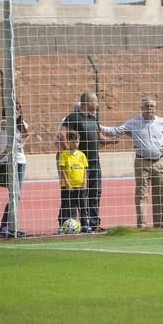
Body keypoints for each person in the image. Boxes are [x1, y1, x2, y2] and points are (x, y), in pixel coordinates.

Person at [100, 96, 163, 228]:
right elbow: (116, 131)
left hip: (160, 162)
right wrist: (98, 126)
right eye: (147, 106)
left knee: (159, 193)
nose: (150, 109)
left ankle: (160, 223)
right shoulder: (133, 123)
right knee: (142, 193)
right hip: (142, 162)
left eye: (152, 106)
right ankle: (142, 224)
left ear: (155, 108)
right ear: (142, 108)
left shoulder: (162, 122)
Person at [58, 93, 115, 231]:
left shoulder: (93, 119)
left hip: (95, 162)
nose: (97, 104)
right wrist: (69, 153)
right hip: (79, 164)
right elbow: (61, 133)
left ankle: (93, 224)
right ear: (88, 102)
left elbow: (100, 137)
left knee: (95, 192)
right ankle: (67, 223)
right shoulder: (73, 117)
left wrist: (112, 140)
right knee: (75, 194)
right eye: (96, 101)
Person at [0, 102, 30, 237]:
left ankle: (10, 225)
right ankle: (5, 226)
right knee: (14, 195)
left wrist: (22, 143)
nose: (15, 111)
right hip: (9, 162)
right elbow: (7, 126)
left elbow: (28, 133)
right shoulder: (4, 123)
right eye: (13, 109)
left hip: (21, 161)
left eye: (18, 109)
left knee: (17, 195)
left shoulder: (22, 123)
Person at [57, 130, 89, 233]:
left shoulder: (81, 155)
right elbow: (62, 169)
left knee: (82, 206)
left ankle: (85, 225)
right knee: (66, 206)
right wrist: (67, 182)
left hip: (80, 186)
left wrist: (85, 182)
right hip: (68, 186)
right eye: (73, 142)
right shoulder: (65, 154)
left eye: (77, 142)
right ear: (69, 142)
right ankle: (62, 227)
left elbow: (84, 169)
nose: (75, 144)